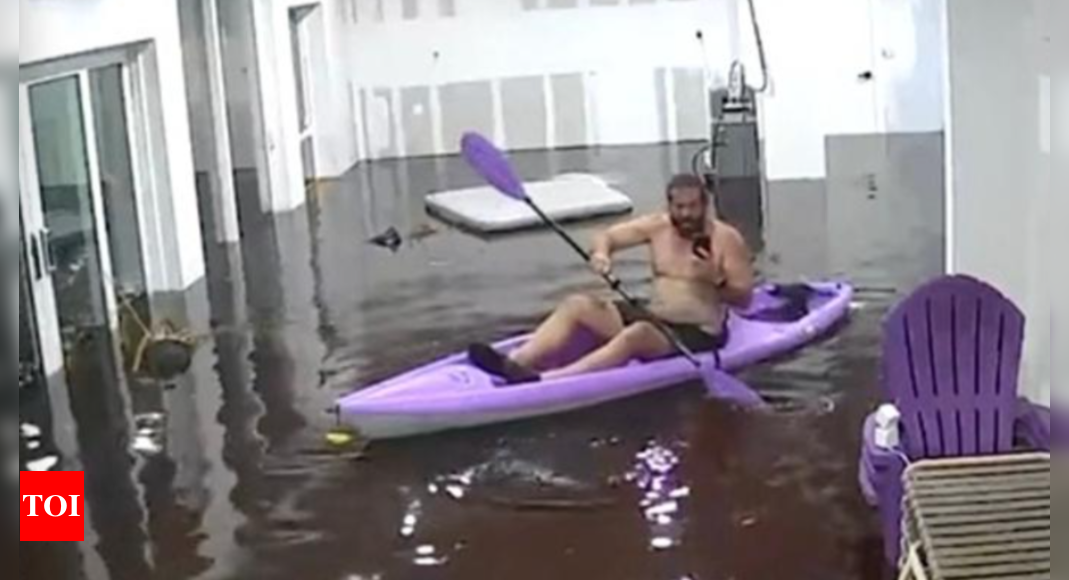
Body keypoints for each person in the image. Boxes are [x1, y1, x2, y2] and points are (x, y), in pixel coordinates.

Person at [468, 174, 756, 385]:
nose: (685, 214)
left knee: (637, 335)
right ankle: (515, 363)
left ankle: (547, 380)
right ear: (669, 206)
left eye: (692, 207)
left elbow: (744, 297)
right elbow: (607, 236)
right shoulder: (657, 227)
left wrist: (713, 281)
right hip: (654, 313)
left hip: (698, 332)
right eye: (679, 207)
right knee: (578, 304)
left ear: (705, 205)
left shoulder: (725, 239)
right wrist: (602, 255)